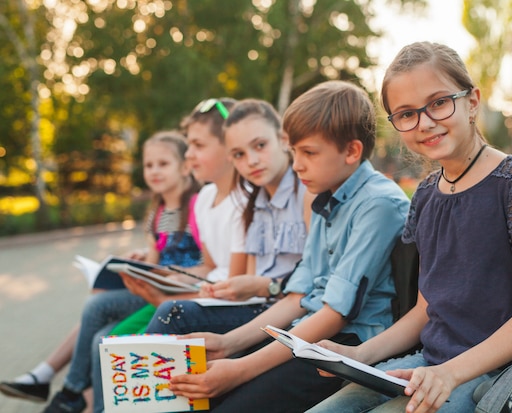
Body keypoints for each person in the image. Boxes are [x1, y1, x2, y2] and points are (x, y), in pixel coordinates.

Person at [305, 41, 512, 413]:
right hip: (431, 364)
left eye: (439, 102)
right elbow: (426, 309)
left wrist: (450, 374)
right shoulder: (425, 194)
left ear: (472, 101)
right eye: (406, 114)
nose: (424, 122)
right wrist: (357, 354)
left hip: (501, 371)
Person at [166, 80, 410, 412]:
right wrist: (228, 344)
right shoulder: (327, 197)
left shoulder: (377, 204)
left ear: (352, 151)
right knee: (198, 392)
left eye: (308, 153)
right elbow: (298, 297)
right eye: (294, 151)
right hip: (304, 335)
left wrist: (240, 369)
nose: (296, 165)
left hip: (345, 347)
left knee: (227, 402)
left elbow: (336, 314)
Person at [0, 130, 204, 413]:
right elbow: (157, 258)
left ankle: (70, 390)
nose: (154, 171)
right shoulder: (157, 211)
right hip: (153, 287)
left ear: (184, 166)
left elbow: (209, 259)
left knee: (96, 307)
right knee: (100, 337)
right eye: (148, 165)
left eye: (163, 164)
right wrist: (140, 261)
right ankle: (73, 393)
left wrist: (169, 272)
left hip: (178, 290)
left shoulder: (196, 205)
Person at [87, 98, 248, 413]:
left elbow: (237, 283)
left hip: (213, 301)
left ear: (229, 146)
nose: (188, 155)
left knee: (153, 319)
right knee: (105, 340)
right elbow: (212, 267)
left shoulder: (243, 202)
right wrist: (165, 278)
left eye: (197, 145)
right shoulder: (204, 201)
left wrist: (166, 292)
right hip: (195, 292)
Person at [144, 98, 313, 336]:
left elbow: (312, 283)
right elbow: (249, 278)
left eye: (260, 145)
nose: (251, 161)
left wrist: (260, 288)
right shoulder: (256, 200)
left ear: (283, 139)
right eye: (239, 154)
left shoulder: (305, 193)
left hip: (288, 315)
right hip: (262, 308)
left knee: (172, 315)